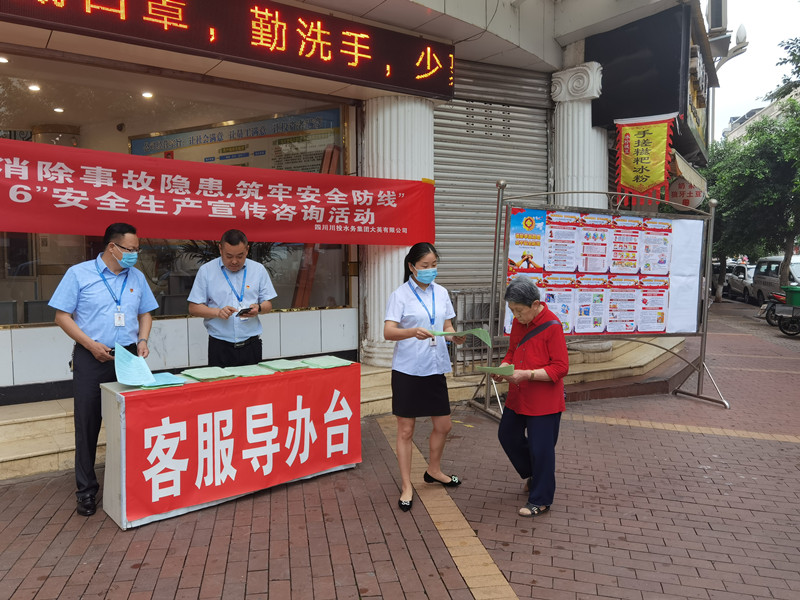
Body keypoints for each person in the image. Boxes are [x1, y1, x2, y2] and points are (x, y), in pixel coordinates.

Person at [49, 223, 159, 517]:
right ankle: (86, 491)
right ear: (112, 247)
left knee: (133, 420)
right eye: (130, 250)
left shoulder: (136, 276)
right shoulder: (79, 274)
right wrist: (90, 345)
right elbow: (62, 316)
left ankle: (133, 483)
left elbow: (145, 313)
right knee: (87, 424)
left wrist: (143, 340)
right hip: (91, 356)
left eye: (137, 250)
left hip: (128, 356)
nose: (135, 255)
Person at [383, 242, 466, 512]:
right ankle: (407, 485)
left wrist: (455, 337)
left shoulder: (441, 293)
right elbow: (388, 332)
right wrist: (412, 331)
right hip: (408, 370)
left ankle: (434, 470)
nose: (431, 270)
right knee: (406, 430)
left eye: (434, 265)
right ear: (412, 266)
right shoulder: (400, 295)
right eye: (425, 266)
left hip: (435, 366)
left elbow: (447, 325)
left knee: (444, 425)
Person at [492, 277, 569, 517]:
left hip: (544, 400)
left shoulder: (552, 326)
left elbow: (561, 368)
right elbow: (512, 351)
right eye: (512, 310)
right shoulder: (519, 322)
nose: (516, 316)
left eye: (519, 310)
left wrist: (528, 374)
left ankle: (541, 499)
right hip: (518, 394)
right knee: (507, 434)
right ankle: (534, 474)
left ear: (535, 304)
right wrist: (503, 367)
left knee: (541, 449)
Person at [187, 229, 277, 367]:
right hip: (220, 346)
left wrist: (258, 308)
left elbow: (268, 304)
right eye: (229, 256)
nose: (234, 261)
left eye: (240, 256)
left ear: (247, 250)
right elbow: (193, 308)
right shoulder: (206, 271)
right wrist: (218, 312)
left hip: (251, 345)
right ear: (220, 249)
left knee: (253, 381)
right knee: (221, 381)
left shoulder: (258, 270)